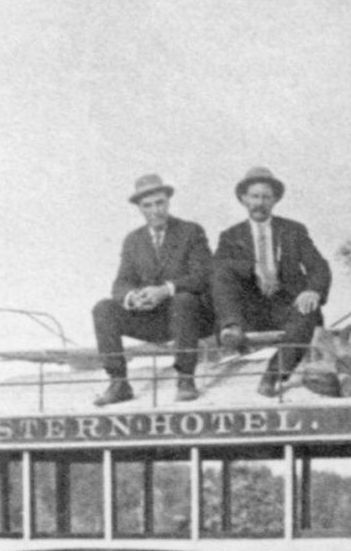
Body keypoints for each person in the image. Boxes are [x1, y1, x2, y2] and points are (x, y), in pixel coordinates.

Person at [92, 173, 213, 405]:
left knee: (183, 299)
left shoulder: (191, 231)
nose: (155, 210)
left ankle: (186, 379)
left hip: (189, 318)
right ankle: (119, 383)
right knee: (103, 309)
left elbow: (204, 276)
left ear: (168, 202)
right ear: (139, 208)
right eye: (147, 205)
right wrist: (132, 297)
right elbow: (120, 283)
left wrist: (166, 290)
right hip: (153, 320)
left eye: (160, 203)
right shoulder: (133, 240)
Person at [211, 167, 331, 397]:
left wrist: (313, 291)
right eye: (254, 196)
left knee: (308, 311)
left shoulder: (293, 231)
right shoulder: (230, 236)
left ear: (275, 200)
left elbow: (319, 266)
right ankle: (231, 328)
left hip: (285, 307)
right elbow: (217, 270)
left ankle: (272, 376)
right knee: (220, 271)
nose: (260, 203)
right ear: (244, 199)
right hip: (248, 312)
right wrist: (253, 268)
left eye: (266, 197)